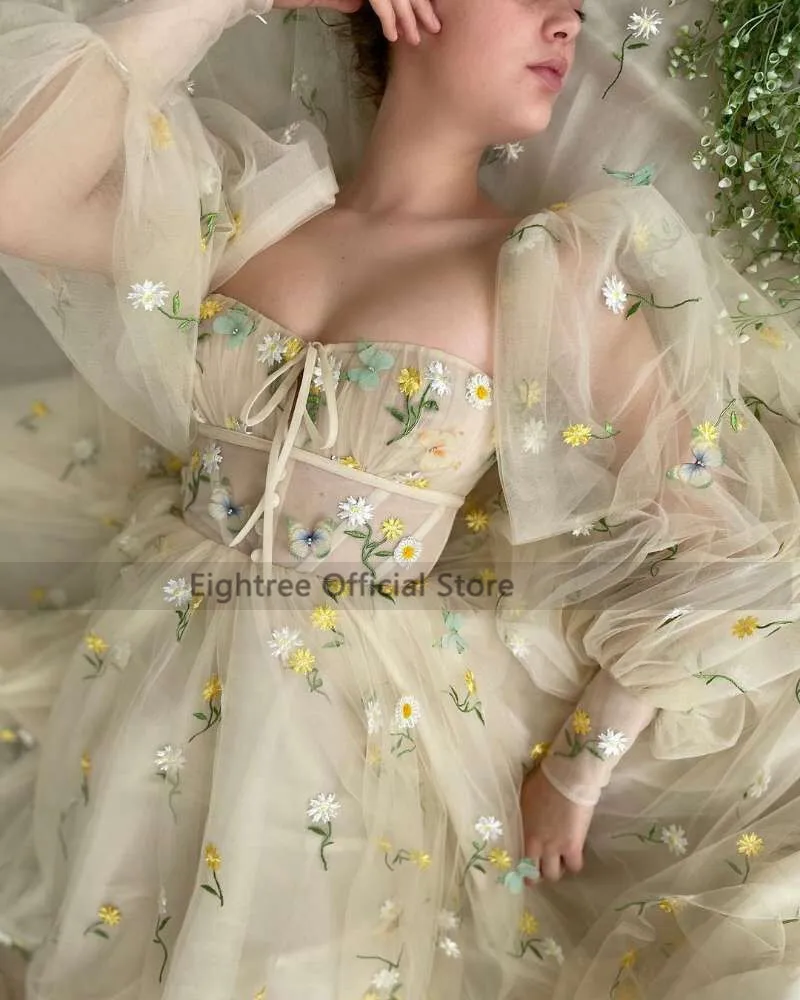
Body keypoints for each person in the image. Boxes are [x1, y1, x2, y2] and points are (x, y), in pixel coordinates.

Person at [1, 0, 800, 997]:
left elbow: (724, 544)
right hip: (143, 674)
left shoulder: (546, 271)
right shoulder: (249, 206)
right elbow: (17, 192)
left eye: (573, 8)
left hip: (348, 726)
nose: (565, 23)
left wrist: (579, 764)